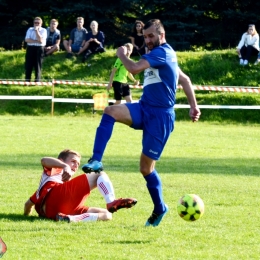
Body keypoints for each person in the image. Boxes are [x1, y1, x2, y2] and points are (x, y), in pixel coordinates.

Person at [81, 19, 201, 227]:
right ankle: (97, 160)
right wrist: (193, 106)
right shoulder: (165, 55)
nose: (148, 40)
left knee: (146, 168)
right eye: (145, 37)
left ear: (162, 35)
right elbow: (185, 79)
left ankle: (160, 207)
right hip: (144, 108)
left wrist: (120, 55)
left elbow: (135, 68)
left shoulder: (162, 52)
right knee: (110, 111)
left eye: (151, 36)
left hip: (161, 118)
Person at [24, 149, 137, 223]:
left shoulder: (47, 187)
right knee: (98, 173)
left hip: (58, 212)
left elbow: (28, 205)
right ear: (61, 160)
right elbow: (44, 160)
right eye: (73, 161)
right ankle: (111, 201)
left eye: (78, 164)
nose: (75, 165)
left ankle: (69, 219)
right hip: (57, 196)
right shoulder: (56, 169)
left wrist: (26, 216)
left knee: (107, 215)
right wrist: (64, 166)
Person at [24, 17, 47, 82]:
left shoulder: (43, 30)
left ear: (41, 24)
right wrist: (36, 41)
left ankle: (37, 82)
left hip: (39, 49)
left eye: (38, 23)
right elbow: (27, 40)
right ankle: (27, 81)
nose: (36, 24)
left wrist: (37, 31)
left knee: (38, 66)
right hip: (30, 48)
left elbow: (41, 40)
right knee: (28, 65)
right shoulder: (30, 29)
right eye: (35, 23)